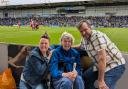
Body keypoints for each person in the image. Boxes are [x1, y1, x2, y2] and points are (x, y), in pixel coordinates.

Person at [76, 20, 126, 89]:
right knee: (86, 77)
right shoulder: (84, 38)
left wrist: (101, 80)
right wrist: (66, 46)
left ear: (90, 27)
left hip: (114, 64)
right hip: (99, 65)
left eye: (85, 29)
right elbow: (80, 46)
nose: (84, 33)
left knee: (104, 86)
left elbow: (102, 58)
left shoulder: (97, 36)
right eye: (81, 31)